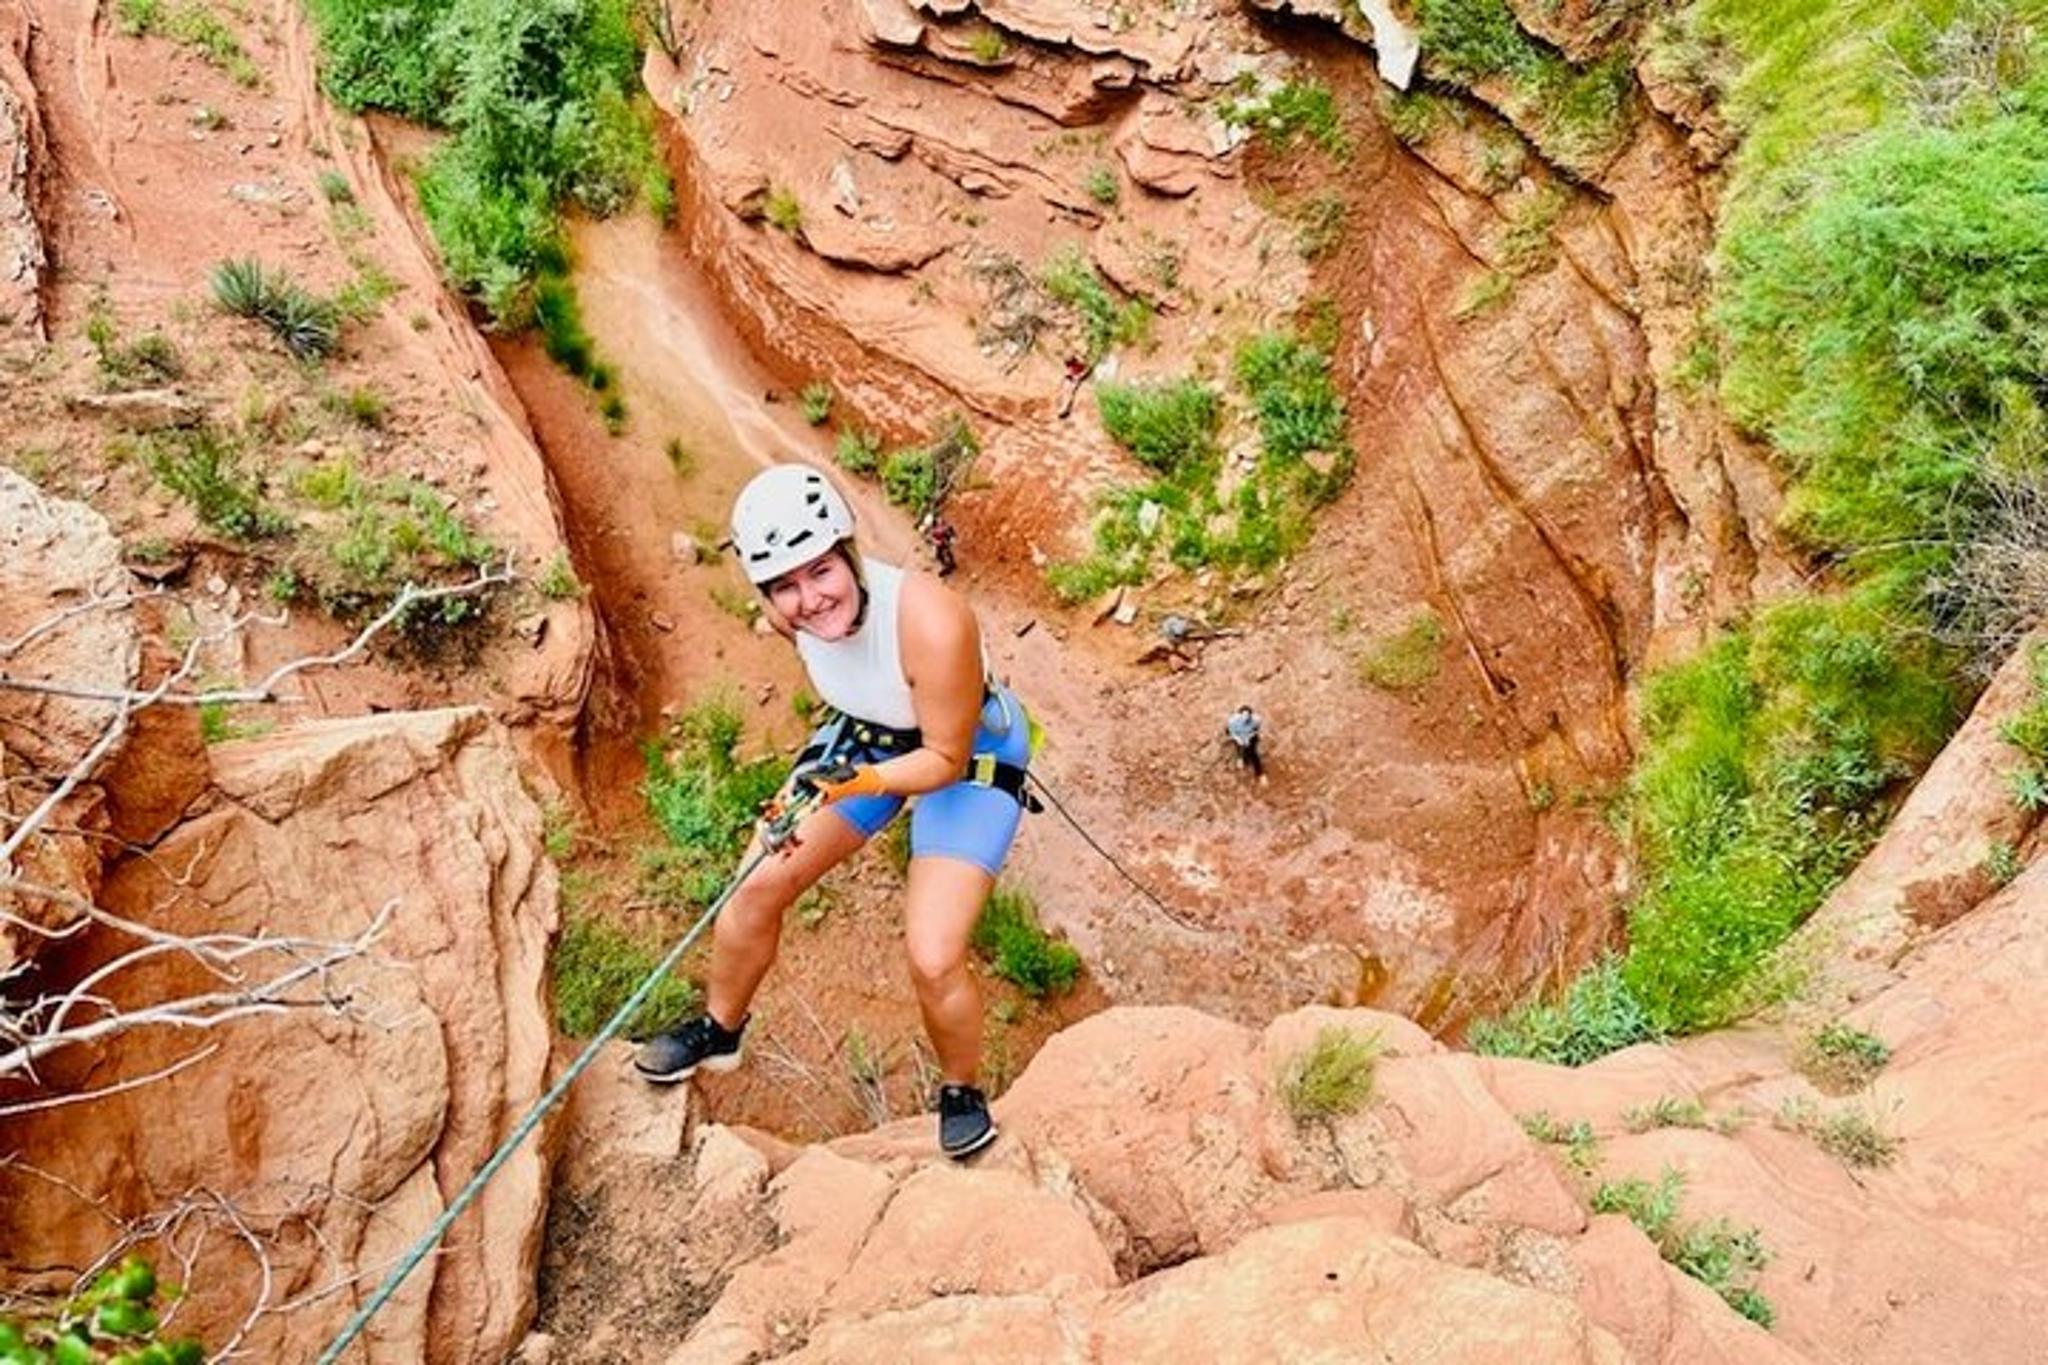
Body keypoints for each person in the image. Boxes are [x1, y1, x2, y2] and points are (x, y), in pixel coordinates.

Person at [635, 464, 1032, 1160]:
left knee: (933, 954)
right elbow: (854, 686)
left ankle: (962, 1089)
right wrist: (835, 772)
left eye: (820, 572)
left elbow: (941, 758)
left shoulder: (933, 621)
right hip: (868, 736)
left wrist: (857, 781)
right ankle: (720, 1029)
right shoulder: (788, 616)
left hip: (965, 752)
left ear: (849, 553)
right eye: (783, 585)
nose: (808, 599)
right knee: (755, 881)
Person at [1225, 703, 1264, 782]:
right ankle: (1240, 758)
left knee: (1253, 753)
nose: (1245, 718)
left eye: (1247, 716)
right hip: (1238, 735)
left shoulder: (1256, 720)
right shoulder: (1232, 721)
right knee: (1239, 746)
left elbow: (1256, 730)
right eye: (1243, 716)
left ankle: (1260, 774)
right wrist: (1238, 739)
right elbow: (1231, 733)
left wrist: (1249, 737)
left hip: (1249, 736)